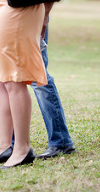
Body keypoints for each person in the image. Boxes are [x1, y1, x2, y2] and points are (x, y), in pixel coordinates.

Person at [0, 0, 52, 169]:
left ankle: (22, 148)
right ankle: (3, 146)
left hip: (19, 3)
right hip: (0, 3)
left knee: (14, 79)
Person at [32, 28, 77, 159]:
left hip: (32, 18)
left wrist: (44, 16)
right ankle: (12, 144)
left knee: (38, 78)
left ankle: (61, 141)